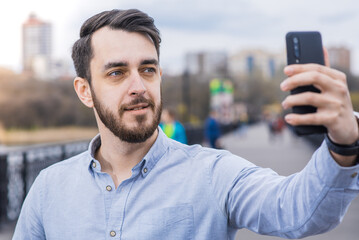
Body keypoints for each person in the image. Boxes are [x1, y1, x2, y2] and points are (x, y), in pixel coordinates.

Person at [13, 9, 359, 240]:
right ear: (85, 91)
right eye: (117, 73)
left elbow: (299, 211)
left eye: (147, 70)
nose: (138, 86)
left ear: (159, 76)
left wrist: (344, 144)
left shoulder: (213, 173)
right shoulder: (48, 189)